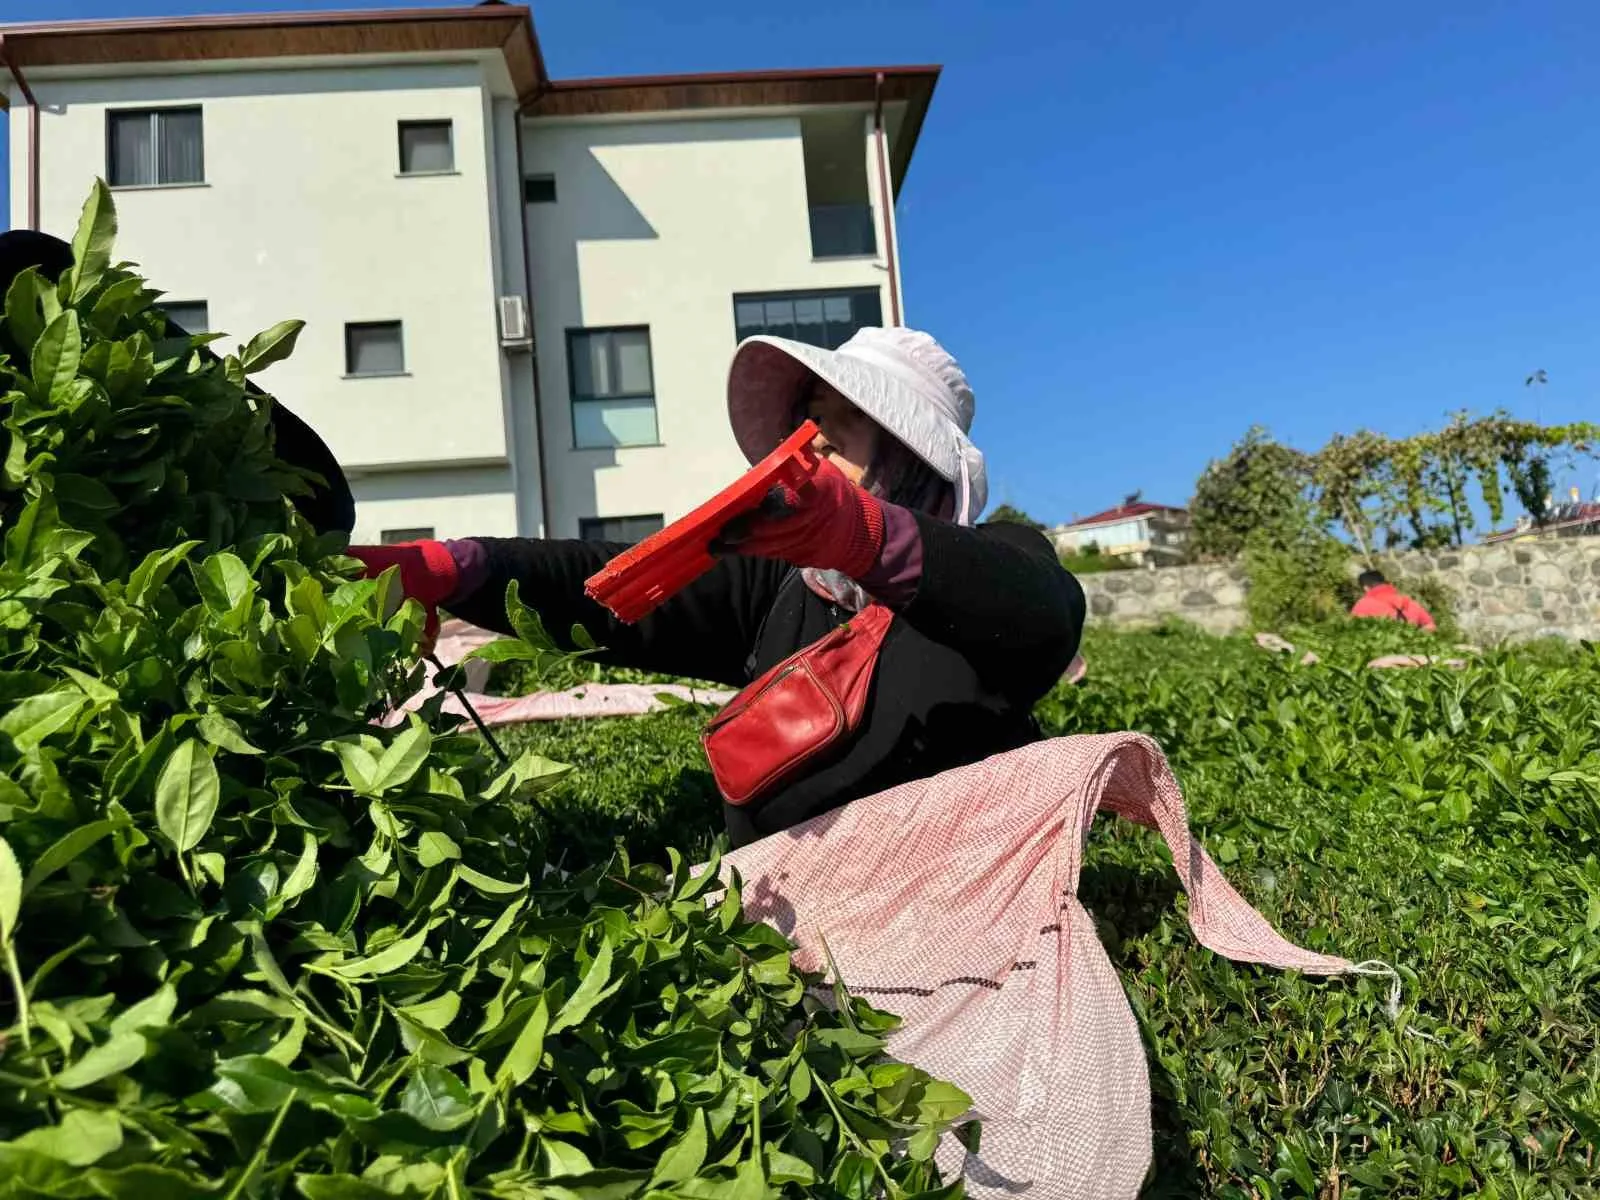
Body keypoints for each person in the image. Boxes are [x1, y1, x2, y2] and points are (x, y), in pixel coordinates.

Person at [352, 327, 1085, 846]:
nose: (817, 440)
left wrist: (865, 537)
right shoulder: (785, 596)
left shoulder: (992, 565)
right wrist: (460, 568)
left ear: (913, 462)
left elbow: (1041, 613)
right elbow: (612, 588)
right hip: (790, 925)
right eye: (813, 422)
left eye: (849, 426)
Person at [1350, 569, 1436, 632]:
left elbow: (1352, 630)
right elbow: (1431, 626)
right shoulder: (1408, 601)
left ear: (1365, 588)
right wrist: (1415, 637)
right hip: (1412, 654)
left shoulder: (1363, 605)